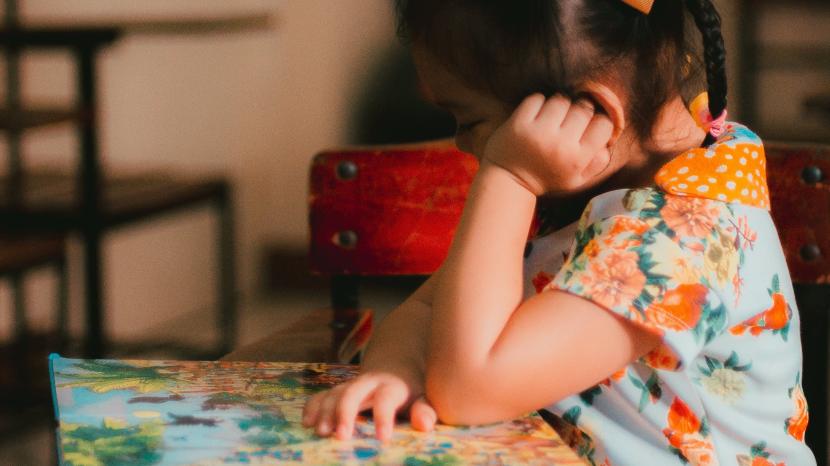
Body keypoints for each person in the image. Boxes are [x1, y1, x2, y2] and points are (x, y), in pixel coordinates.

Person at [302, 1, 816, 464]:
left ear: (588, 114)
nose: (461, 144)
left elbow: (469, 387)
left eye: (469, 120)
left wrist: (510, 176)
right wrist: (394, 373)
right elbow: (424, 310)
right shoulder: (606, 189)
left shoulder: (683, 237)